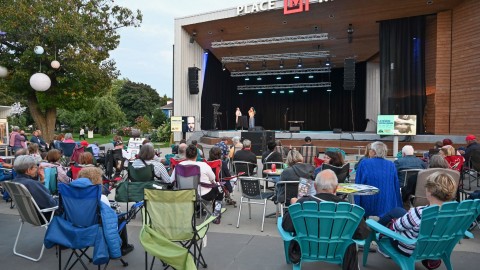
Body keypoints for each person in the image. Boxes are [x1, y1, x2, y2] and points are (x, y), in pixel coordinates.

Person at [282, 169, 370, 270]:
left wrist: (293, 206)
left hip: (306, 250)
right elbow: (363, 233)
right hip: (338, 251)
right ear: (336, 188)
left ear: (314, 186)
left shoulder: (302, 204)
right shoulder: (349, 209)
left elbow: (286, 225)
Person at [377, 172, 457, 269]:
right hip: (435, 247)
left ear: (429, 191)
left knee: (393, 221)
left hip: (409, 248)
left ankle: (376, 234)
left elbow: (397, 226)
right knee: (399, 212)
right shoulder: (455, 213)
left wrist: (392, 225)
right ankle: (431, 259)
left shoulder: (419, 212)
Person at [77, 167, 134, 256]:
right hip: (95, 230)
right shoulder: (101, 197)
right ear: (97, 179)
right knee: (120, 216)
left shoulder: (71, 194)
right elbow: (108, 219)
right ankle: (123, 247)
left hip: (75, 228)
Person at [170, 145, 223, 224]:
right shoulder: (204, 165)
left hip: (184, 194)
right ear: (197, 155)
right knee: (220, 189)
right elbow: (213, 178)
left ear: (185, 154)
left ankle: (198, 210)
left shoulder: (178, 166)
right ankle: (216, 214)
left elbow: (171, 180)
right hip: (203, 195)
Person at [355, 141, 402, 217]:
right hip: (387, 205)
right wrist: (398, 206)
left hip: (369, 205)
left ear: (373, 152)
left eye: (370, 150)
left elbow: (358, 185)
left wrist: (357, 207)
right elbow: (396, 186)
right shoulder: (391, 165)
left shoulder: (364, 163)